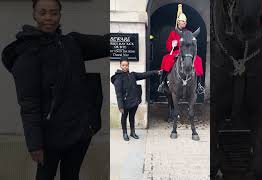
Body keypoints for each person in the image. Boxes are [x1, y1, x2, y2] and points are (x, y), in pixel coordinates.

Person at [1, 0, 108, 179]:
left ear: (60, 14)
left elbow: (106, 43)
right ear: (34, 14)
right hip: (50, 136)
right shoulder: (28, 53)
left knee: (72, 176)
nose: (48, 18)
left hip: (79, 131)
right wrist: (35, 145)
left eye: (53, 13)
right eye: (43, 13)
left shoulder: (71, 43)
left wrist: (126, 40)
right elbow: (29, 104)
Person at [157, 5, 205, 94]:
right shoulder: (172, 33)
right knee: (166, 59)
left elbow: (191, 43)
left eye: (185, 22)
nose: (184, 23)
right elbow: (168, 47)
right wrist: (172, 45)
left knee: (198, 60)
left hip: (187, 52)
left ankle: (199, 85)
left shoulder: (189, 33)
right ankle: (163, 82)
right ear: (178, 22)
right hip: (175, 52)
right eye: (182, 21)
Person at [111, 56, 160, 141]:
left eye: (126, 65)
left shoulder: (132, 75)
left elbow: (144, 74)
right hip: (125, 103)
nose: (125, 67)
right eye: (123, 65)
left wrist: (156, 72)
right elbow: (118, 94)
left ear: (128, 65)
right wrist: (120, 106)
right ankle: (125, 133)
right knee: (124, 117)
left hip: (134, 101)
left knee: (132, 117)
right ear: (120, 65)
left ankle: (132, 132)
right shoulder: (118, 78)